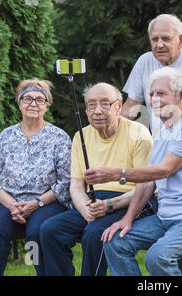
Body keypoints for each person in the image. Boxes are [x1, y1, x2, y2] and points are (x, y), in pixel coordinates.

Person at [94, 67, 182, 276]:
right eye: (151, 94)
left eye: (161, 93)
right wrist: (128, 218)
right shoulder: (163, 131)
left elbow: (164, 170)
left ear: (181, 96)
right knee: (116, 243)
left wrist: (117, 173)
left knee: (157, 257)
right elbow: (148, 181)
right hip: (165, 216)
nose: (154, 99)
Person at [40, 83, 154, 276]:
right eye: (91, 105)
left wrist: (109, 205)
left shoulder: (138, 133)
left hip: (133, 200)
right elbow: (76, 186)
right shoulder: (80, 136)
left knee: (94, 234)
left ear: (118, 107)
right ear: (85, 110)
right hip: (94, 202)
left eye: (105, 104)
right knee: (50, 229)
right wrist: (86, 210)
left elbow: (147, 184)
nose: (97, 111)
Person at [0, 78, 72, 276]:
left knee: (37, 232)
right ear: (19, 103)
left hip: (47, 202)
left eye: (40, 99)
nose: (33, 104)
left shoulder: (59, 137)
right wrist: (12, 205)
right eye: (28, 98)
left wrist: (36, 203)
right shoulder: (5, 136)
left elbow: (66, 181)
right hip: (9, 203)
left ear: (47, 105)